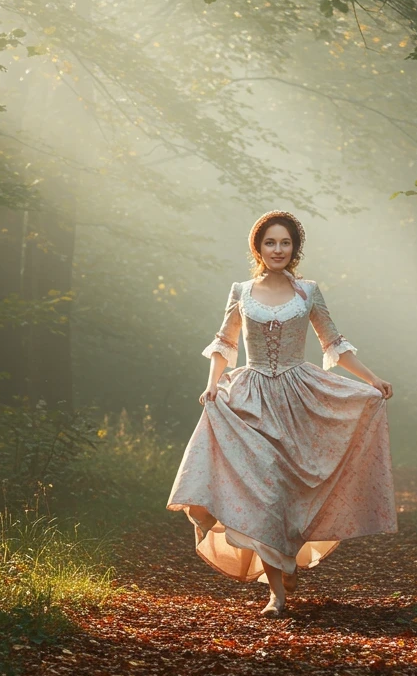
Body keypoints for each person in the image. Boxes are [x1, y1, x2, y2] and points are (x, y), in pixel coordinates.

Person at [166, 210, 398, 618]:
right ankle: (276, 593)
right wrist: (212, 384)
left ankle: (285, 557)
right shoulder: (240, 290)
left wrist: (373, 379)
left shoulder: (308, 291)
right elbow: (225, 342)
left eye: (285, 243)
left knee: (291, 494)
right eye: (270, 242)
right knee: (267, 492)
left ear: (295, 248)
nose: (278, 249)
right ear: (258, 247)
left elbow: (334, 343)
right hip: (250, 398)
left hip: (299, 398)